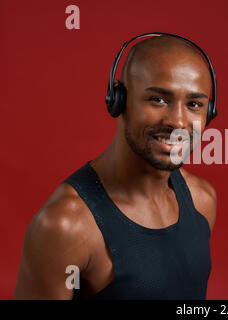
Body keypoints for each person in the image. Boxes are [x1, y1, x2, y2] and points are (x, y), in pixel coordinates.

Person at [14, 34, 217, 299]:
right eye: (158, 99)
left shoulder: (202, 201)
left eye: (194, 105)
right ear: (119, 99)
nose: (178, 121)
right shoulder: (66, 226)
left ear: (209, 113)